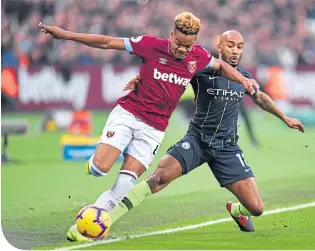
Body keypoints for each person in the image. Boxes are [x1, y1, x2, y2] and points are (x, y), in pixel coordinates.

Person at [39, 13, 258, 241]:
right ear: (171, 35)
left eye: (188, 45)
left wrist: (243, 81)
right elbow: (106, 42)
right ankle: (97, 160)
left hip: (154, 130)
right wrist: (65, 35)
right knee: (99, 168)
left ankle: (86, 227)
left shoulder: (198, 56)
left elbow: (221, 65)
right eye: (179, 44)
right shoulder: (150, 45)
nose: (183, 50)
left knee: (125, 184)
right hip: (129, 114)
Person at [103, 30, 304, 235]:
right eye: (230, 45)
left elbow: (260, 98)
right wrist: (142, 79)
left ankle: (235, 209)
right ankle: (106, 219)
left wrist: (285, 117)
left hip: (227, 147)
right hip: (197, 141)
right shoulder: (200, 70)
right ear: (219, 47)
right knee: (157, 180)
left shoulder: (243, 77)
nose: (235, 51)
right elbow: (169, 74)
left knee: (257, 209)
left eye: (239, 47)